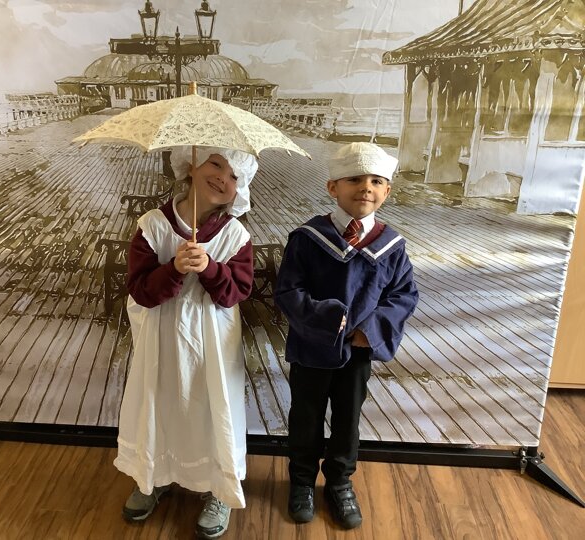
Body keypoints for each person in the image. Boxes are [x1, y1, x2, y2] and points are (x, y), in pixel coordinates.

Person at [114, 145, 258, 539]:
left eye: (234, 176)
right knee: (160, 402)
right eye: (215, 163)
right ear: (190, 166)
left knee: (213, 407)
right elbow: (141, 289)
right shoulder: (153, 226)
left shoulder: (235, 235)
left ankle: (219, 487)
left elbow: (236, 292)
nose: (222, 177)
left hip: (212, 342)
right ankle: (153, 474)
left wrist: (210, 268)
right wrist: (174, 269)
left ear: (239, 189)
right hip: (161, 336)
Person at [274, 142, 419, 529]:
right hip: (311, 348)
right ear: (333, 187)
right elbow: (288, 291)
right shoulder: (308, 238)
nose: (366, 187)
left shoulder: (391, 247)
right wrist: (329, 319)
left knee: (347, 420)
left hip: (357, 352)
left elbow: (403, 295)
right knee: (305, 417)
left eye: (376, 181)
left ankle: (339, 482)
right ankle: (302, 481)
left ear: (387, 191)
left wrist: (369, 331)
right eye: (354, 179)